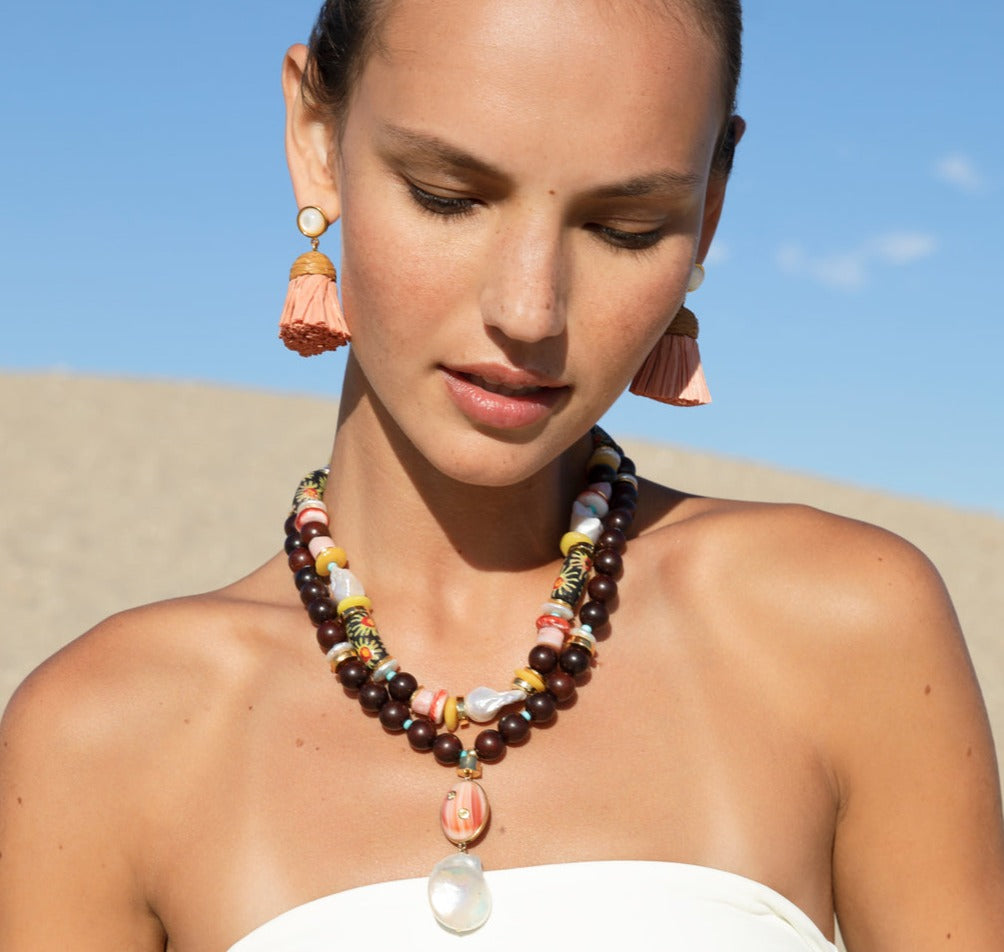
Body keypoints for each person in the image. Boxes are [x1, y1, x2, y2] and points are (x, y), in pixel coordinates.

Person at [2, 0, 1002, 948]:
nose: (529, 308)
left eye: (626, 225)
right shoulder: (103, 739)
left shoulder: (841, 630)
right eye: (449, 197)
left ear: (709, 205)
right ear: (314, 138)